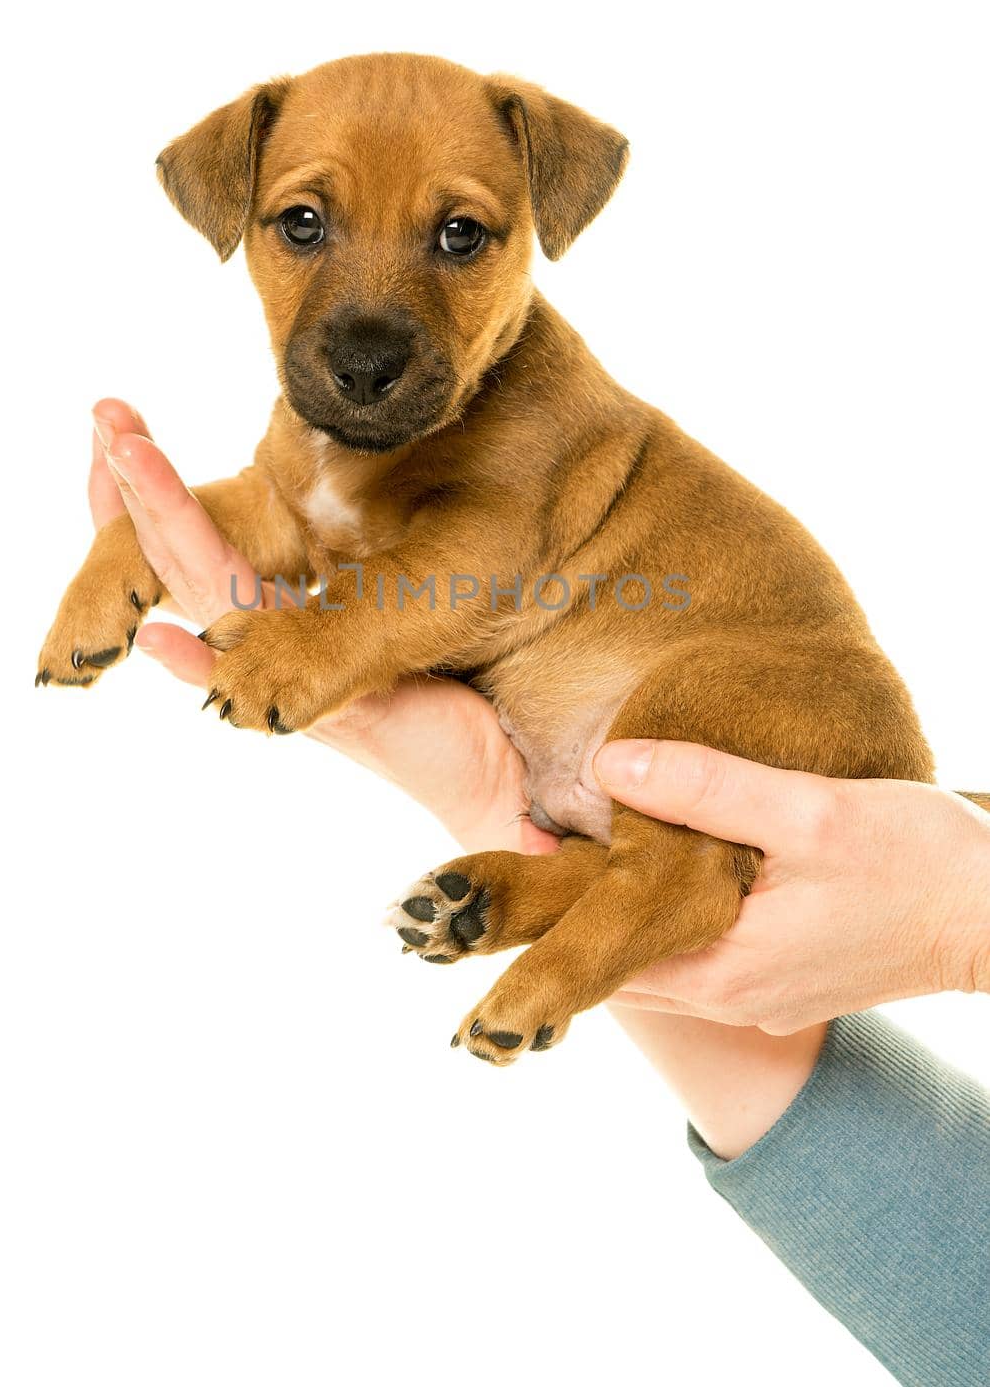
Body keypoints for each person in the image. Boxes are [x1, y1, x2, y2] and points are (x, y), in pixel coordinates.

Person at [86, 398, 990, 1387]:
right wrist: (490, 796)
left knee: (670, 813)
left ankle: (591, 912)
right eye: (298, 228)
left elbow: (469, 549)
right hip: (606, 730)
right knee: (654, 838)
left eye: (464, 234)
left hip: (765, 695)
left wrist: (962, 913)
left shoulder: (532, 422)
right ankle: (573, 886)